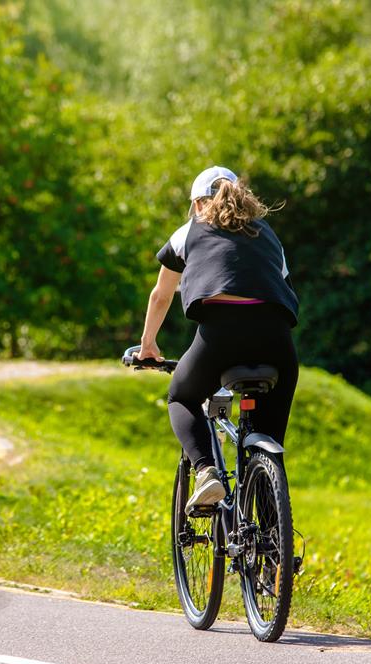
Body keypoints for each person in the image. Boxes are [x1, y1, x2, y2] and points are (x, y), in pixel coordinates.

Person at [137, 166, 299, 511]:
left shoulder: (188, 231)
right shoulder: (268, 234)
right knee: (270, 441)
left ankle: (206, 470)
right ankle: (272, 553)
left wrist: (148, 345)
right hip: (277, 337)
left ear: (198, 204)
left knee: (181, 396)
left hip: (222, 334)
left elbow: (161, 295)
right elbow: (282, 284)